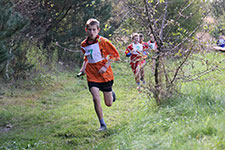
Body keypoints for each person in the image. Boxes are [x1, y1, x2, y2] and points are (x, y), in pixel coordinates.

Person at [79, 18, 120, 131]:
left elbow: (115, 55)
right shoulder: (83, 44)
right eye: (89, 30)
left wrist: (105, 66)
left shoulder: (103, 42)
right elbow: (87, 57)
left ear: (98, 30)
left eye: (94, 30)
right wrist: (83, 69)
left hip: (105, 74)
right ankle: (102, 124)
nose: (92, 32)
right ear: (86, 30)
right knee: (96, 98)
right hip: (92, 74)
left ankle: (111, 92)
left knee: (109, 103)